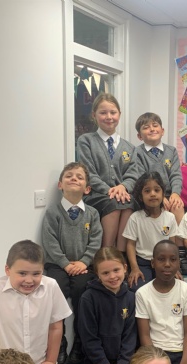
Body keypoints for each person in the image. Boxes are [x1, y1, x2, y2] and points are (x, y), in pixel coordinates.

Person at [42, 161, 103, 364]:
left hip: (83, 266)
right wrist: (65, 264)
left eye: (79, 177)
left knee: (83, 292)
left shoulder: (92, 214)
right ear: (60, 184)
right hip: (57, 265)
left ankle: (79, 342)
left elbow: (95, 241)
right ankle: (59, 343)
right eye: (69, 176)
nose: (74, 178)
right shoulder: (53, 212)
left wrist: (84, 262)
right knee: (55, 288)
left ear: (87, 189)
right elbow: (49, 241)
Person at [135, 240, 187, 364]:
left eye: (173, 259)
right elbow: (145, 336)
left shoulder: (186, 290)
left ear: (179, 263)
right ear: (152, 263)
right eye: (161, 259)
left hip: (182, 355)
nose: (167, 264)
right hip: (155, 354)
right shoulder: (142, 293)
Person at [77, 93, 135, 251]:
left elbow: (133, 173)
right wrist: (110, 190)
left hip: (122, 194)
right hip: (96, 194)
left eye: (113, 112)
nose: (109, 117)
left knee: (130, 202)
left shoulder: (129, 147)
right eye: (103, 113)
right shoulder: (86, 141)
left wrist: (122, 187)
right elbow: (88, 172)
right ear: (94, 115)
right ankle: (106, 252)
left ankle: (121, 254)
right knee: (113, 202)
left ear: (119, 114)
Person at [123, 172, 178, 292]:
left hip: (164, 261)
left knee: (172, 287)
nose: (152, 194)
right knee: (138, 288)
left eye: (157, 190)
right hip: (143, 262)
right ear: (140, 196)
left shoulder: (170, 217)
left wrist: (176, 268)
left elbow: (172, 245)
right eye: (147, 191)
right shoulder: (135, 218)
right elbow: (130, 245)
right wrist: (134, 268)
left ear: (163, 193)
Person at [133, 112, 184, 225]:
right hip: (150, 196)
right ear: (140, 136)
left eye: (155, 125)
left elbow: (176, 175)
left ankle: (180, 237)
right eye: (146, 127)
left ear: (162, 131)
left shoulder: (172, 151)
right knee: (158, 210)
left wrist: (176, 193)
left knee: (178, 207)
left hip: (170, 195)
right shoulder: (137, 152)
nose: (152, 129)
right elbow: (142, 178)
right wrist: (160, 197)